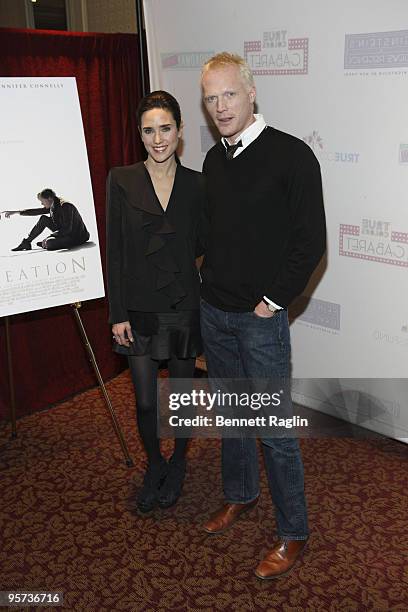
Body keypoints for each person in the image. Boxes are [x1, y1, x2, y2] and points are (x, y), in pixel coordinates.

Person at [200, 53, 326, 579]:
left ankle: (293, 532)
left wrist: (271, 302)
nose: (220, 107)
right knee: (231, 417)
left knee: (273, 429)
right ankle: (240, 495)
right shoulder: (212, 160)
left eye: (229, 94)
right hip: (216, 313)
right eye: (210, 99)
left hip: (259, 320)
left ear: (252, 94)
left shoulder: (293, 156)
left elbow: (310, 242)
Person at [106, 91, 205, 513]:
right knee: (146, 401)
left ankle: (179, 463)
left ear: (180, 132)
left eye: (166, 128)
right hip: (138, 310)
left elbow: (210, 247)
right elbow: (114, 250)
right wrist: (116, 313)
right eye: (149, 130)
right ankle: (154, 464)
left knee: (181, 397)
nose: (158, 138)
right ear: (140, 134)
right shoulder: (121, 179)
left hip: (183, 307)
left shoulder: (199, 185)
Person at [1, 188, 90, 251]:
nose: (41, 204)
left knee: (49, 243)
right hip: (64, 231)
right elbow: (36, 211)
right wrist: (17, 212)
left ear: (49, 198)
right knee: (43, 219)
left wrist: (50, 236)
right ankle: (26, 243)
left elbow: (67, 229)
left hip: (77, 236)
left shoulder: (65, 206)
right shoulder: (53, 203)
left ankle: (47, 243)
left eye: (42, 201)